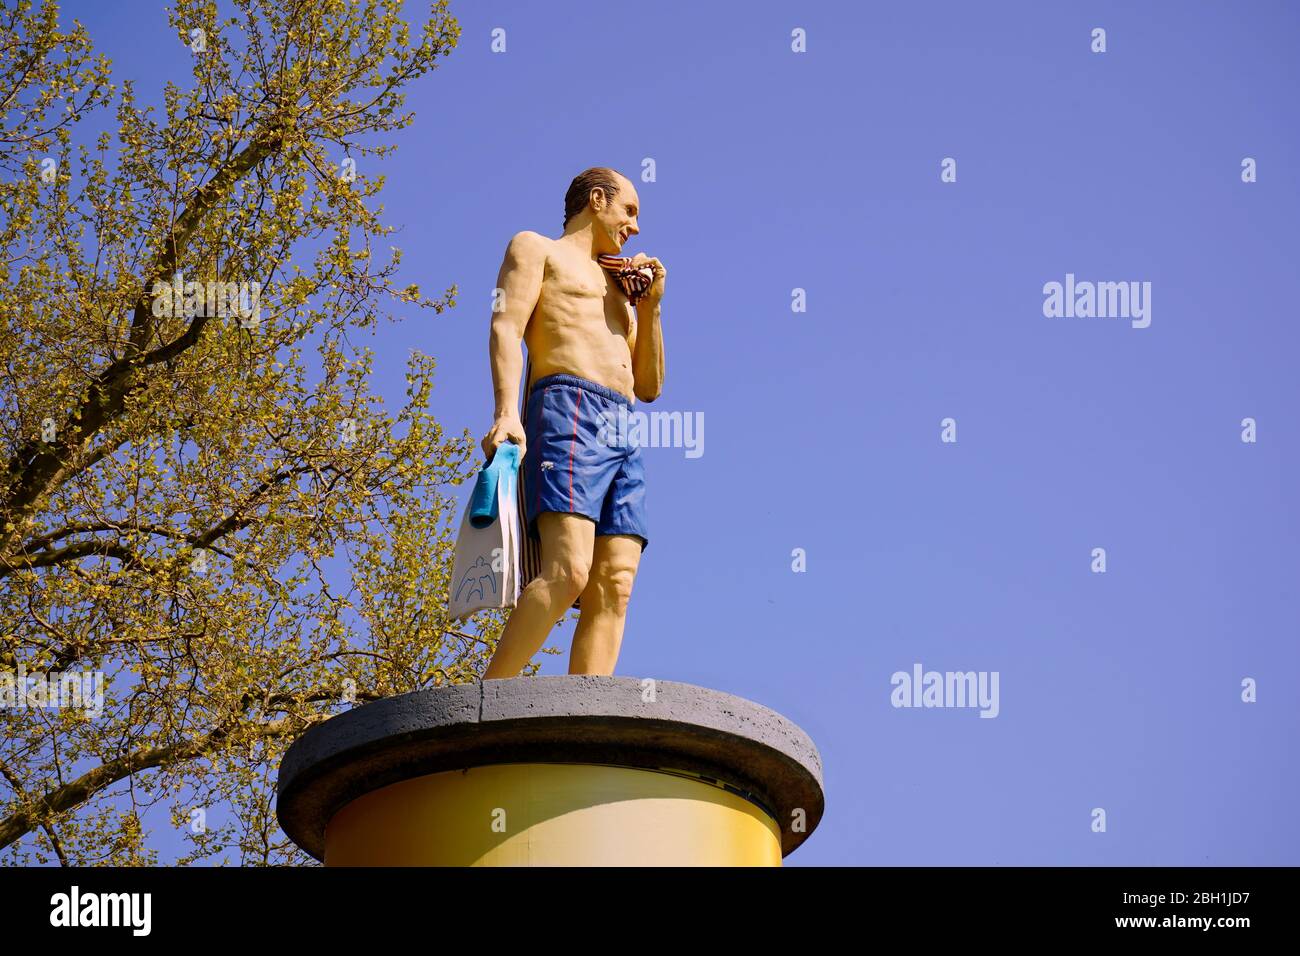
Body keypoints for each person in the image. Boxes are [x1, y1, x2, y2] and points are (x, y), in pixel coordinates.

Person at [480, 167, 666, 678]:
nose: (634, 227)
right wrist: (505, 414)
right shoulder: (536, 248)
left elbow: (649, 386)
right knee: (567, 572)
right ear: (598, 199)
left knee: (616, 583)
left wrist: (650, 309)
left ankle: (587, 718)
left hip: (623, 423)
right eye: (630, 211)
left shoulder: (620, 288)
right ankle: (488, 703)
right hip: (568, 408)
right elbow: (505, 328)